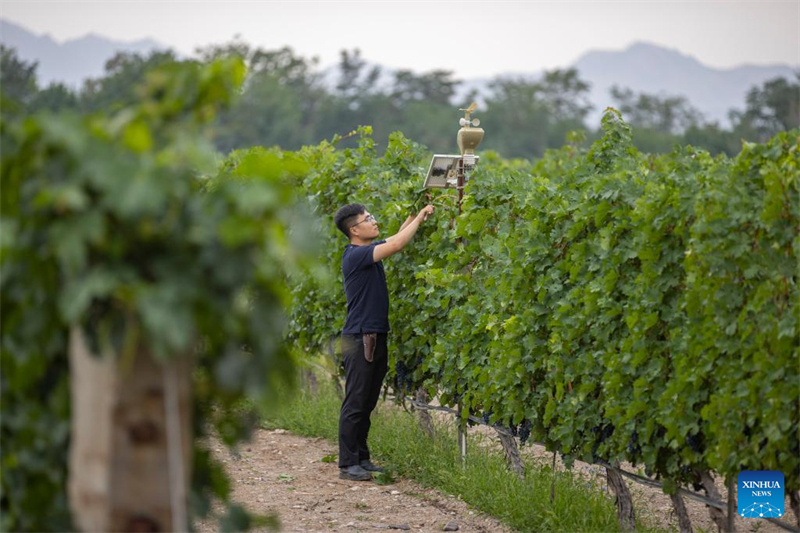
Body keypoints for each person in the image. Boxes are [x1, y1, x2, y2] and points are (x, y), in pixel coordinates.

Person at [333, 202, 435, 481]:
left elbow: (394, 238)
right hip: (360, 337)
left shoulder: (366, 252)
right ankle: (347, 464)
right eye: (369, 218)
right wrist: (419, 217)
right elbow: (398, 244)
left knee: (367, 402)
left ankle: (362, 459)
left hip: (375, 335)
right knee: (356, 401)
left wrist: (416, 213)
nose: (374, 221)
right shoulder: (354, 255)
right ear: (354, 229)